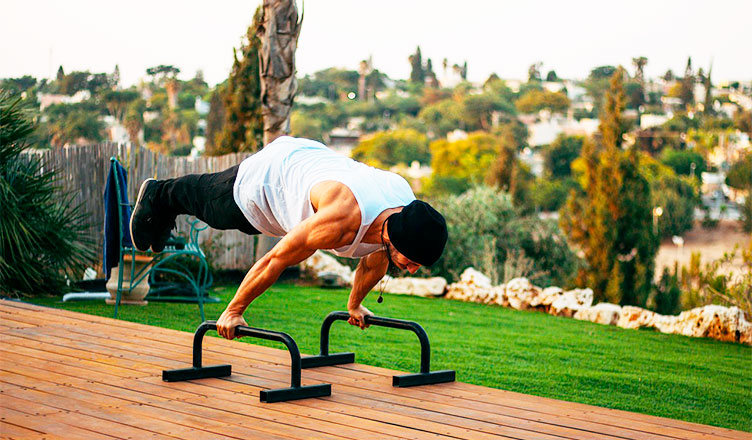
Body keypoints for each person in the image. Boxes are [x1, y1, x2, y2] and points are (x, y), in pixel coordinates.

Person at [130, 136, 448, 340]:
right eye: (413, 261)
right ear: (397, 241)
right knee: (212, 206)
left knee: (215, 208)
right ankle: (159, 195)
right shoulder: (340, 217)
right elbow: (275, 259)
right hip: (270, 179)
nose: (412, 270)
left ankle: (164, 202)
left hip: (312, 160)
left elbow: (374, 261)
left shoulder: (403, 212)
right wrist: (234, 311)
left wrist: (355, 305)